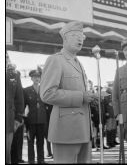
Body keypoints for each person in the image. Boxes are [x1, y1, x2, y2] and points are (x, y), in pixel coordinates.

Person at [40, 21, 96, 163]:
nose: (80, 39)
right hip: (66, 132)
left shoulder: (78, 63)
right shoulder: (55, 60)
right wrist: (81, 96)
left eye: (81, 36)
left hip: (83, 131)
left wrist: (90, 97)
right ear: (65, 38)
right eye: (75, 35)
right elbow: (47, 94)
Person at [23, 69, 47, 164]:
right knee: (30, 142)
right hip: (31, 121)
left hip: (42, 120)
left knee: (40, 142)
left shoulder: (44, 89)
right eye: (35, 77)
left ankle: (41, 160)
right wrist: (23, 119)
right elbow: (23, 106)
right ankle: (31, 161)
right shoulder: (26, 90)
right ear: (31, 78)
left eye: (38, 77)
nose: (37, 78)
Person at [6, 52, 24, 164]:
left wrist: (18, 118)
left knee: (6, 154)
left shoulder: (14, 74)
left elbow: (19, 98)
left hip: (8, 119)